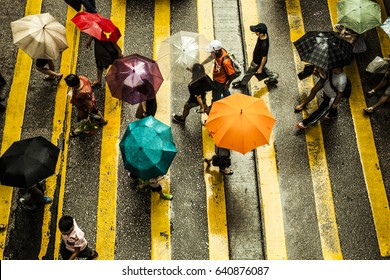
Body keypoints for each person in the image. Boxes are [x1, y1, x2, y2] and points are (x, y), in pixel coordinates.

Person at [232, 23, 278, 89]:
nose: (255, 33)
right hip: (259, 60)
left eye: (257, 32)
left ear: (261, 33)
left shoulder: (264, 45)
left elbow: (264, 58)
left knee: (249, 72)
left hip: (256, 61)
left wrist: (260, 68)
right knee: (263, 67)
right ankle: (272, 76)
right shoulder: (264, 35)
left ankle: (243, 83)